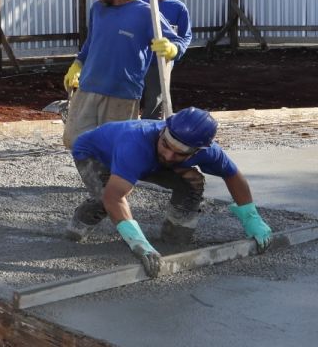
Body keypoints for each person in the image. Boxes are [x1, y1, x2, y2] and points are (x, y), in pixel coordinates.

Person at [67, 107, 274, 278]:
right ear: (163, 131)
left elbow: (233, 175)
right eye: (166, 144)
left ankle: (174, 237)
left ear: (198, 151)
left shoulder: (209, 151)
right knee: (106, 196)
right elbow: (114, 197)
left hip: (147, 159)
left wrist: (251, 217)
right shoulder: (135, 142)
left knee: (191, 182)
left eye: (179, 153)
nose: (168, 155)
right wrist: (138, 243)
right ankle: (78, 225)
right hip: (95, 154)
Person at [62, 0, 186, 148]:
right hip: (88, 87)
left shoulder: (146, 13)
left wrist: (172, 48)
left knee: (114, 146)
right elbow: (91, 43)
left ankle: (112, 169)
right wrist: (77, 65)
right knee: (74, 141)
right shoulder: (97, 9)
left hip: (122, 93)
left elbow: (179, 41)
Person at [136, 0, 192, 119]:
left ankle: (150, 129)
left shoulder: (178, 8)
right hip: (137, 61)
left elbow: (185, 36)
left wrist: (174, 49)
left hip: (160, 63)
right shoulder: (138, 2)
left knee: (154, 102)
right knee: (130, 101)